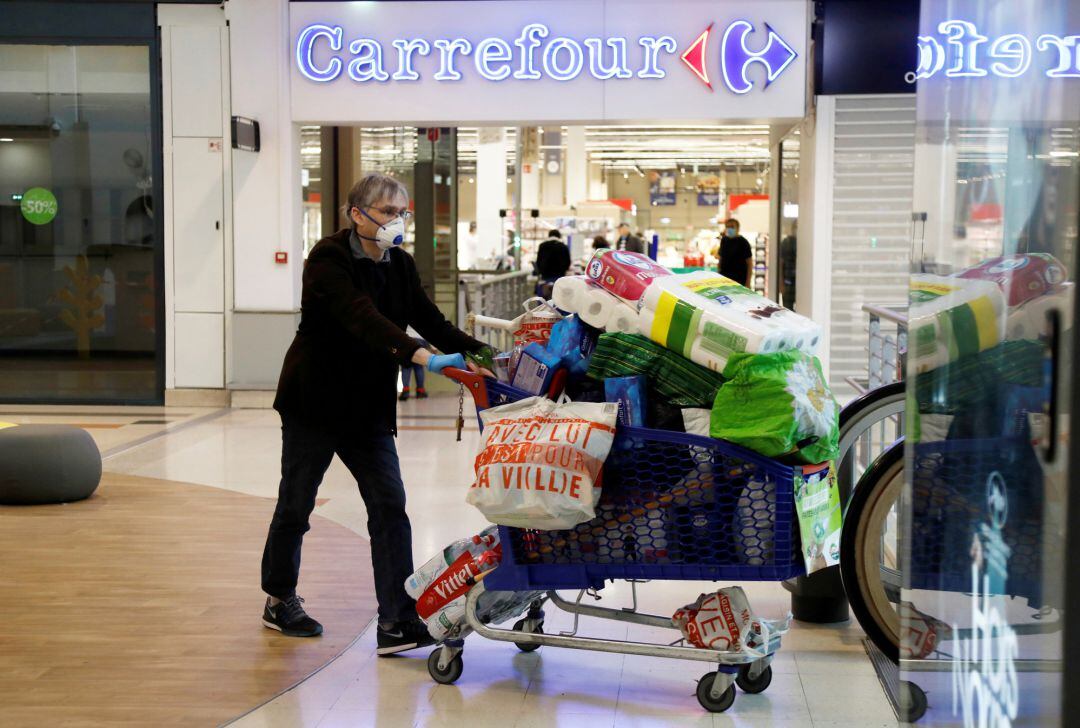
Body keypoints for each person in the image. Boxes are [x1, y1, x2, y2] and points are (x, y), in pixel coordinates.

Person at [262, 172, 491, 655]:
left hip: (366, 407)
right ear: (356, 214)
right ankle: (280, 598)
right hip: (314, 402)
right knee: (297, 505)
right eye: (386, 212)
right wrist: (426, 358)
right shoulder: (327, 259)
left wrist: (486, 355)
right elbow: (364, 319)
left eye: (401, 212)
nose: (395, 221)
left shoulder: (400, 265)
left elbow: (431, 320)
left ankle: (395, 619)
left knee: (389, 506)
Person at [534, 229, 570, 298]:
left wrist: (541, 271)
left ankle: (545, 307)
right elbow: (568, 262)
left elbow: (538, 261)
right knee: (558, 296)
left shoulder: (542, 246)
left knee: (545, 297)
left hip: (545, 276)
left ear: (549, 236)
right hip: (559, 276)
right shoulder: (563, 246)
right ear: (559, 236)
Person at [717, 218, 753, 287]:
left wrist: (748, 282)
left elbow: (750, 264)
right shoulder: (724, 240)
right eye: (727, 227)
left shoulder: (743, 242)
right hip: (724, 279)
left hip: (739, 280)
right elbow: (720, 259)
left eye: (732, 227)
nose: (729, 229)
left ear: (738, 228)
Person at [399, 333, 429, 400]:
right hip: (420, 340)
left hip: (406, 338)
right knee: (419, 367)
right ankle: (420, 391)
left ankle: (405, 391)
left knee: (406, 366)